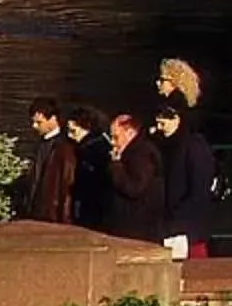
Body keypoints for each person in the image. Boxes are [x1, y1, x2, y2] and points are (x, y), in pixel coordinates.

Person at [153, 99, 218, 259]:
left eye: (163, 124)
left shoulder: (194, 146)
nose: (159, 129)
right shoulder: (167, 144)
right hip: (170, 223)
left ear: (177, 119)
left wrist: (176, 219)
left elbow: (199, 190)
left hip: (187, 228)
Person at [103, 108, 167, 244]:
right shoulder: (135, 153)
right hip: (128, 228)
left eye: (116, 137)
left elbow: (135, 188)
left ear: (130, 133)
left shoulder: (142, 155)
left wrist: (116, 166)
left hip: (137, 230)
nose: (113, 143)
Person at [19, 99, 78, 224]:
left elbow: (66, 181)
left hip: (51, 211)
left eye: (39, 122)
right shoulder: (42, 143)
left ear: (53, 119)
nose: (34, 126)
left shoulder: (66, 147)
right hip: (36, 208)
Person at [65, 104, 110, 232]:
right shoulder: (101, 145)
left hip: (91, 205)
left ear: (87, 128)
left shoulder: (90, 151)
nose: (70, 136)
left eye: (73, 131)